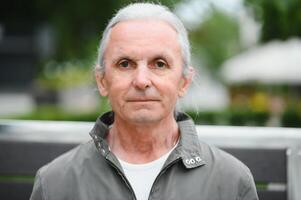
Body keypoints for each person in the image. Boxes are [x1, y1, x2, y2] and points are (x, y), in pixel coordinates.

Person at [30, 3, 258, 200]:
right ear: (102, 81)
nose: (141, 81)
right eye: (125, 64)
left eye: (159, 64)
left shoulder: (232, 181)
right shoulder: (54, 183)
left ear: (184, 82)